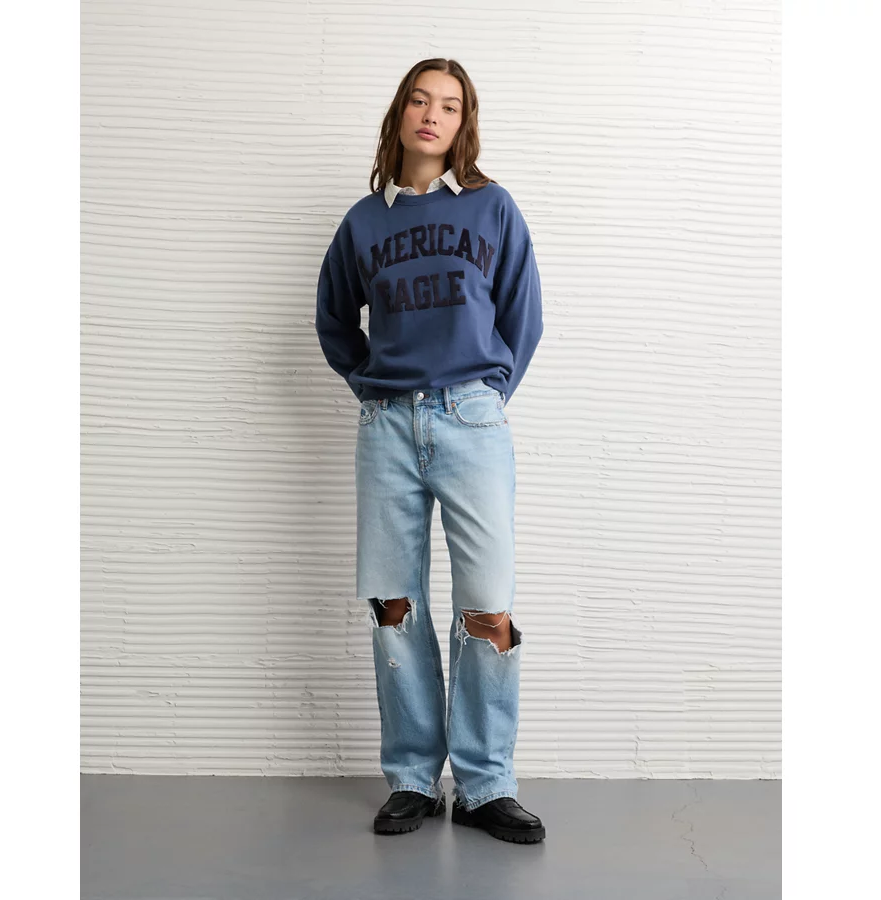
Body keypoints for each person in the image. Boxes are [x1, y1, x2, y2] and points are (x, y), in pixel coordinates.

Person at [315, 58, 545, 844]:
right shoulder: (363, 222)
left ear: (462, 123)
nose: (432, 115)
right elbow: (333, 318)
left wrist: (487, 393)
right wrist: (369, 384)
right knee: (394, 605)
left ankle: (485, 785)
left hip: (471, 421)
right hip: (386, 428)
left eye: (449, 105)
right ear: (400, 113)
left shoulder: (491, 207)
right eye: (420, 100)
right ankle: (413, 777)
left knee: (487, 605)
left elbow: (524, 315)